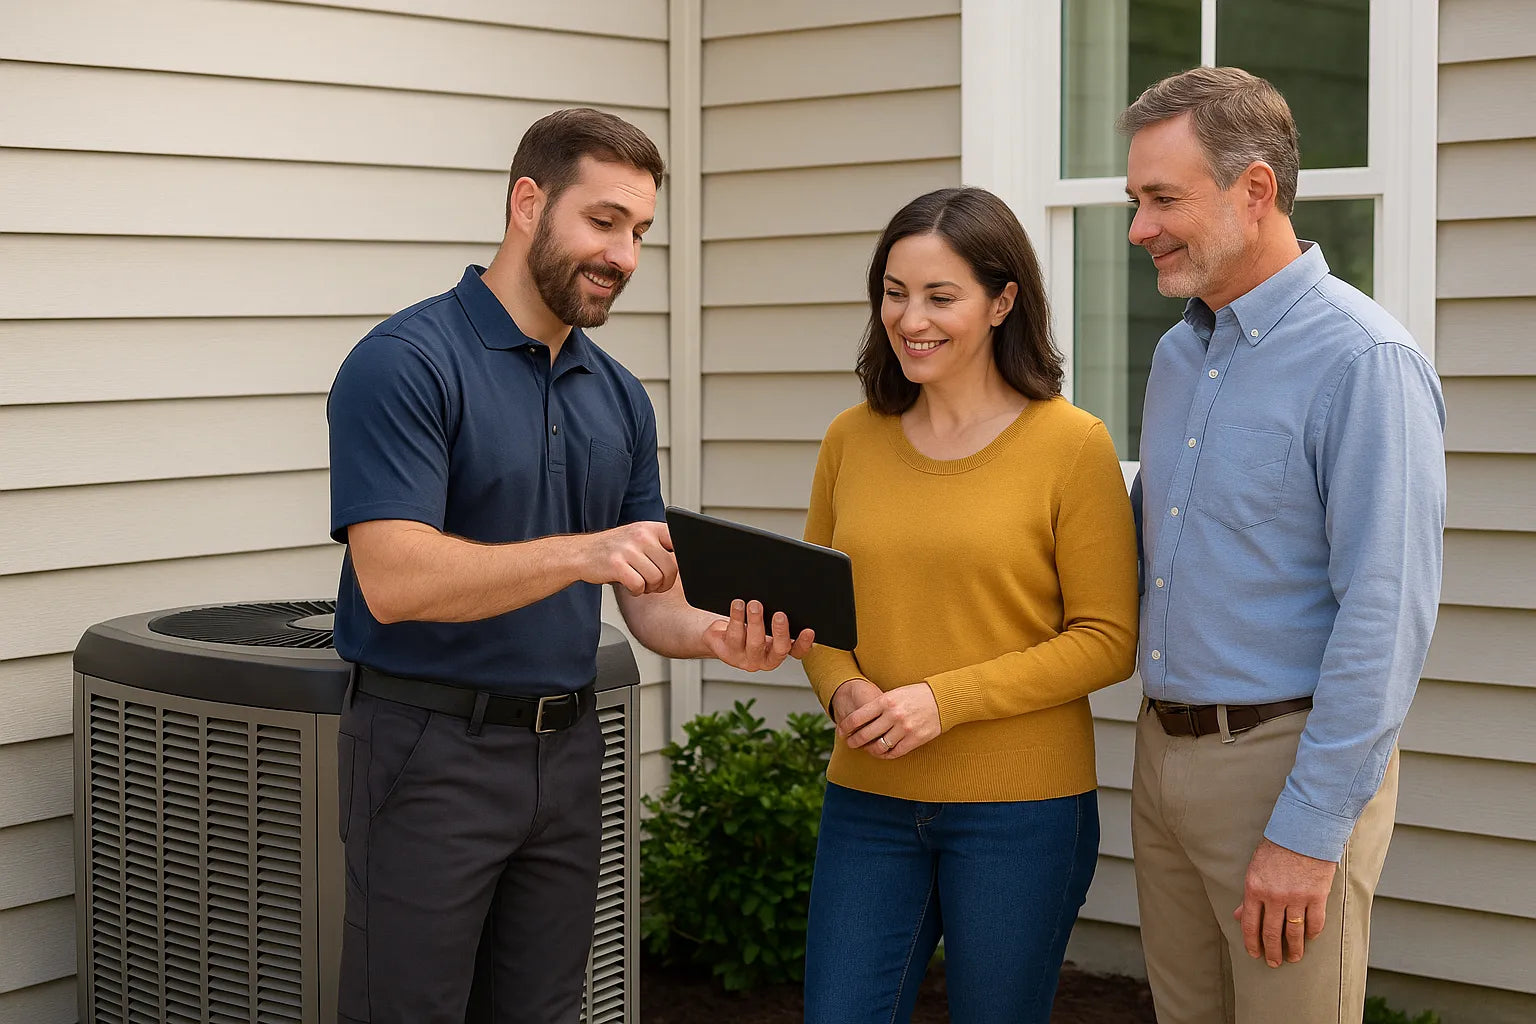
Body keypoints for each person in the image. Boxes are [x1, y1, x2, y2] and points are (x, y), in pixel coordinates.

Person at [326, 107, 812, 1024]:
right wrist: (582, 553)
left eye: (640, 233)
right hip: (429, 752)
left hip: (569, 754)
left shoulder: (619, 397)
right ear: (527, 203)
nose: (625, 256)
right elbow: (392, 580)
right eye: (603, 222)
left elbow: (651, 603)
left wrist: (719, 637)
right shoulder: (404, 363)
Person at [1120, 67, 1445, 1023]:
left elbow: (1384, 617)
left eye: (1163, 199)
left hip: (1286, 766)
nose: (1140, 227)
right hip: (1162, 753)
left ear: (1254, 190)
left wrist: (1308, 833)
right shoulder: (1178, 355)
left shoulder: (1366, 362)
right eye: (1137, 200)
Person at [798, 187, 1140, 1023]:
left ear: (1003, 301)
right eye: (893, 291)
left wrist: (942, 701)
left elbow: (1107, 639)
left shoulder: (1072, 445)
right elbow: (813, 609)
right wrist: (842, 690)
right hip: (867, 800)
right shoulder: (852, 438)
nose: (909, 318)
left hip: (1023, 814)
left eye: (940, 296)